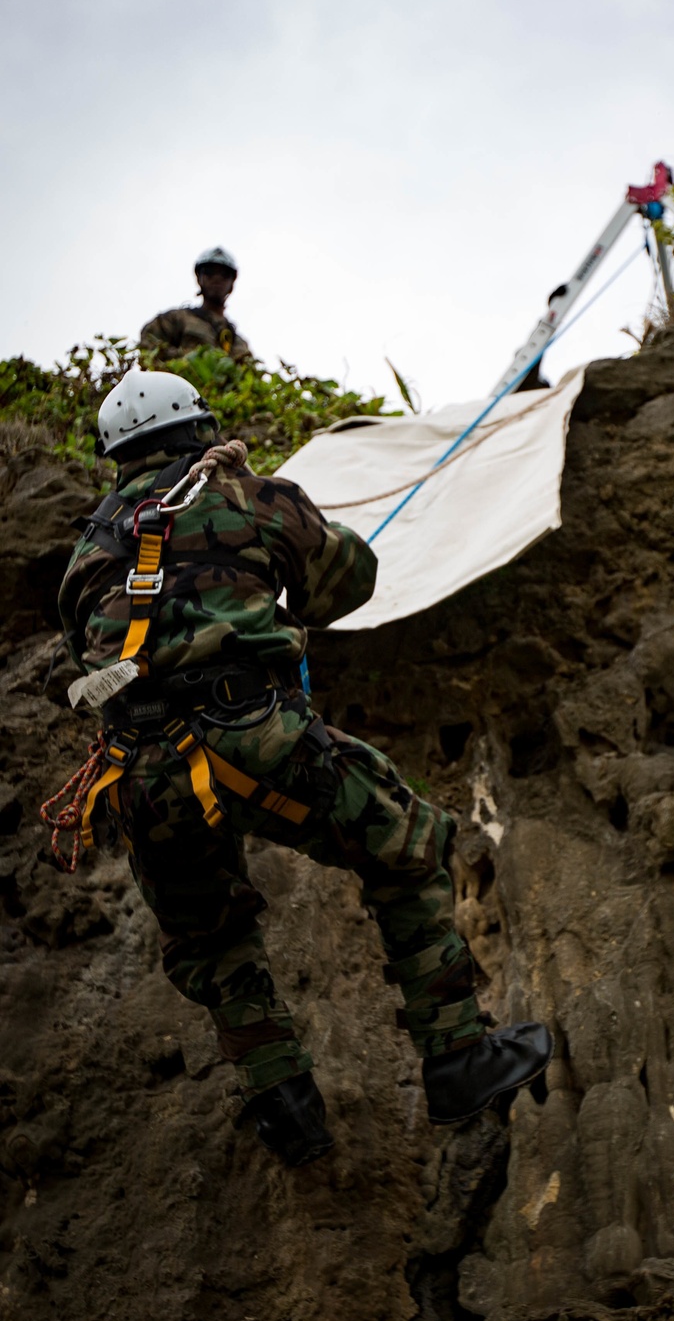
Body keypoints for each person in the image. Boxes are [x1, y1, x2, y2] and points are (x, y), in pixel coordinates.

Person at [55, 368, 552, 1166]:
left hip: (140, 779)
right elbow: (347, 583)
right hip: (251, 737)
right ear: (200, 425)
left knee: (211, 939)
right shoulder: (249, 496)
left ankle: (285, 1106)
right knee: (408, 843)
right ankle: (458, 1057)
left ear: (115, 454)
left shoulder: (85, 552)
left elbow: (77, 662)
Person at [140, 247, 253, 363]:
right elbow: (148, 342)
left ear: (232, 283)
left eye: (224, 274)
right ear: (199, 278)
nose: (217, 278)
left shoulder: (238, 343)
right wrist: (185, 362)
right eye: (209, 272)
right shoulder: (177, 319)